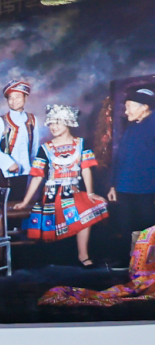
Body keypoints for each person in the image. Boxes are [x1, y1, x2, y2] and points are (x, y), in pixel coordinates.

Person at [13, 104, 108, 267]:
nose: (53, 127)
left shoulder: (81, 143)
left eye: (57, 122)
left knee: (92, 205)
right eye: (51, 123)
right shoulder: (45, 148)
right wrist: (25, 201)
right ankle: (75, 255)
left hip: (74, 191)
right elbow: (37, 177)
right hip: (52, 194)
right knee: (76, 208)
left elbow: (86, 170)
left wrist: (90, 192)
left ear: (68, 122)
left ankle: (83, 254)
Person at [108, 86, 155, 269]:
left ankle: (146, 265)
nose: (126, 111)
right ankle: (126, 261)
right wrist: (113, 185)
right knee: (125, 226)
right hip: (124, 187)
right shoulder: (132, 127)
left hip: (146, 189)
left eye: (129, 106)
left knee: (147, 227)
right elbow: (119, 158)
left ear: (144, 107)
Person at [0, 80, 41, 203]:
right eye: (10, 98)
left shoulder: (32, 120)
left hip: (24, 173)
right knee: (1, 208)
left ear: (25, 97)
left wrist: (36, 170)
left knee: (18, 206)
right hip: (2, 174)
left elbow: (34, 148)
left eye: (17, 97)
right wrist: (8, 163)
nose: (13, 101)